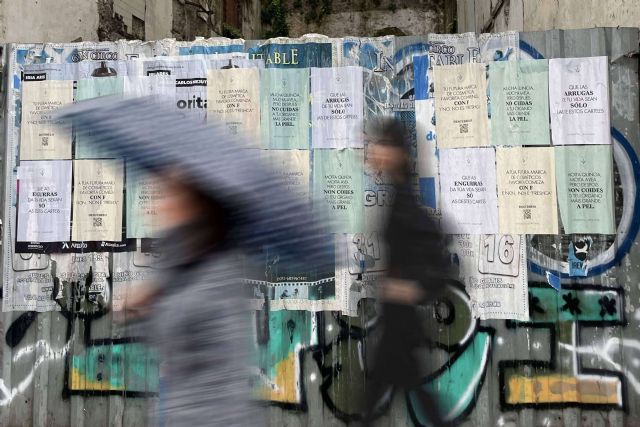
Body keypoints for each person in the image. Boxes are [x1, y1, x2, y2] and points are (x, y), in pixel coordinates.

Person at [363, 118, 451, 426]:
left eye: (384, 145)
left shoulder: (405, 204)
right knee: (392, 392)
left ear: (399, 153)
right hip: (396, 322)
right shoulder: (397, 197)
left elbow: (436, 258)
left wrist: (410, 288)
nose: (375, 151)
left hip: (400, 323)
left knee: (381, 397)